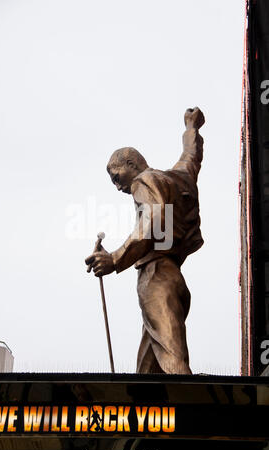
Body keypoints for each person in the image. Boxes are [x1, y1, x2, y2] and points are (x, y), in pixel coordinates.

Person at [85, 107, 205, 374]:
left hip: (156, 277)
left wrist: (114, 258)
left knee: (174, 364)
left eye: (117, 177)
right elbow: (191, 157)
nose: (118, 187)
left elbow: (152, 220)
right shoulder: (176, 178)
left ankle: (197, 412)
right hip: (173, 278)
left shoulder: (143, 181)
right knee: (146, 377)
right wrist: (191, 127)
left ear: (131, 165)